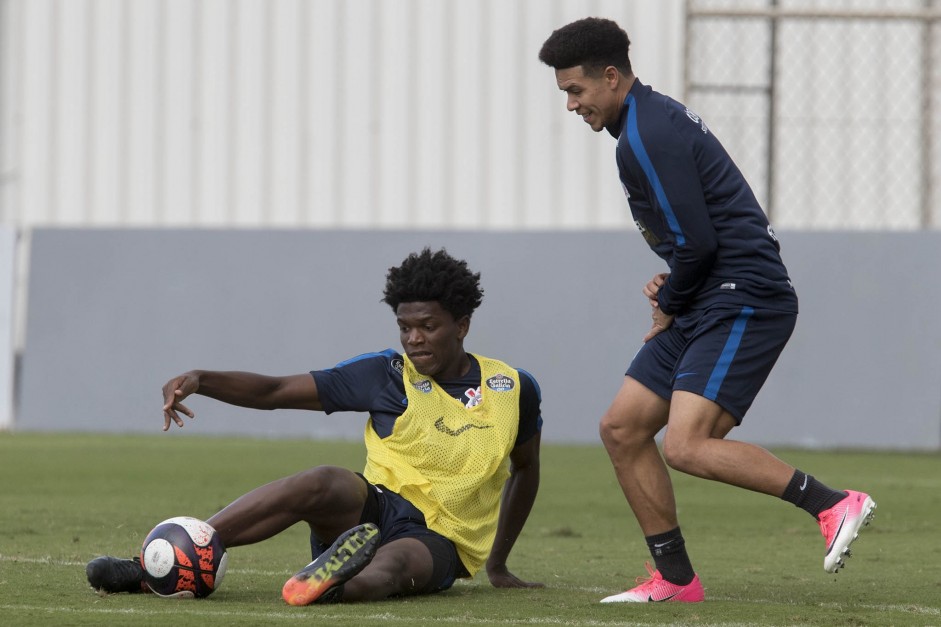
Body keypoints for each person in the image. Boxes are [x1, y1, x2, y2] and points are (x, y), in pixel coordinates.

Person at [538, 18, 875, 603]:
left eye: (576, 90)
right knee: (622, 429)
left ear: (611, 77)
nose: (571, 104)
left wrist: (669, 297)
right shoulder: (643, 123)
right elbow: (695, 239)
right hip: (708, 292)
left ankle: (835, 503)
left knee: (687, 445)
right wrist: (676, 284)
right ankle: (674, 579)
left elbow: (700, 243)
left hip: (745, 296)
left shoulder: (647, 136)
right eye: (565, 92)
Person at [86, 248, 544, 604]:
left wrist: (497, 564)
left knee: (393, 564)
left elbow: (525, 469)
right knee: (323, 480)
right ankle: (166, 562)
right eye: (404, 327)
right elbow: (275, 393)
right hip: (377, 509)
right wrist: (202, 380)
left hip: (441, 542)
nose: (413, 339)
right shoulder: (386, 374)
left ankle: (331, 582)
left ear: (461, 325)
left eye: (427, 326)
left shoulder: (514, 389)